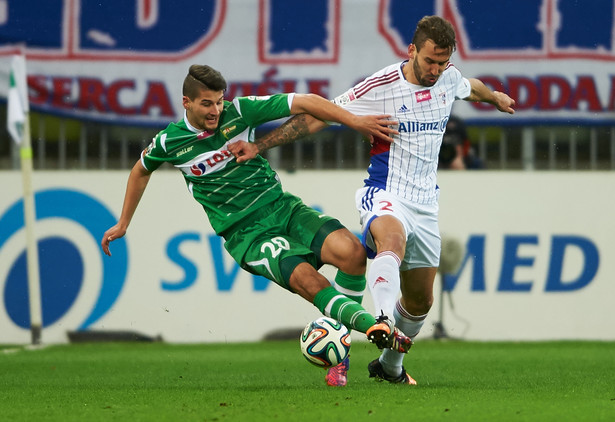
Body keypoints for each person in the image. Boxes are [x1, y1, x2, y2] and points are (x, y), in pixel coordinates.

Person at [229, 16, 515, 386]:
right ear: (411, 50)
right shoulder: (380, 86)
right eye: (430, 60)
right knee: (391, 241)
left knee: (420, 302)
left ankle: (388, 366)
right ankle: (381, 318)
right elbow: (317, 118)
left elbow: (470, 86)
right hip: (384, 192)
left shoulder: (447, 78)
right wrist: (260, 144)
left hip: (425, 204)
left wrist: (493, 97)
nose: (435, 70)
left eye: (443, 62)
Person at [100, 64, 412, 387]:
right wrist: (124, 222)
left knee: (352, 252)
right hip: (247, 234)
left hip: (282, 207)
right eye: (207, 103)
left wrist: (354, 122)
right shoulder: (170, 141)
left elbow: (304, 102)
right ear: (186, 103)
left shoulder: (239, 112)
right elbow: (140, 170)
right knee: (308, 279)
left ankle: (343, 348)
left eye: (219, 101)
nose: (216, 110)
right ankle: (375, 328)